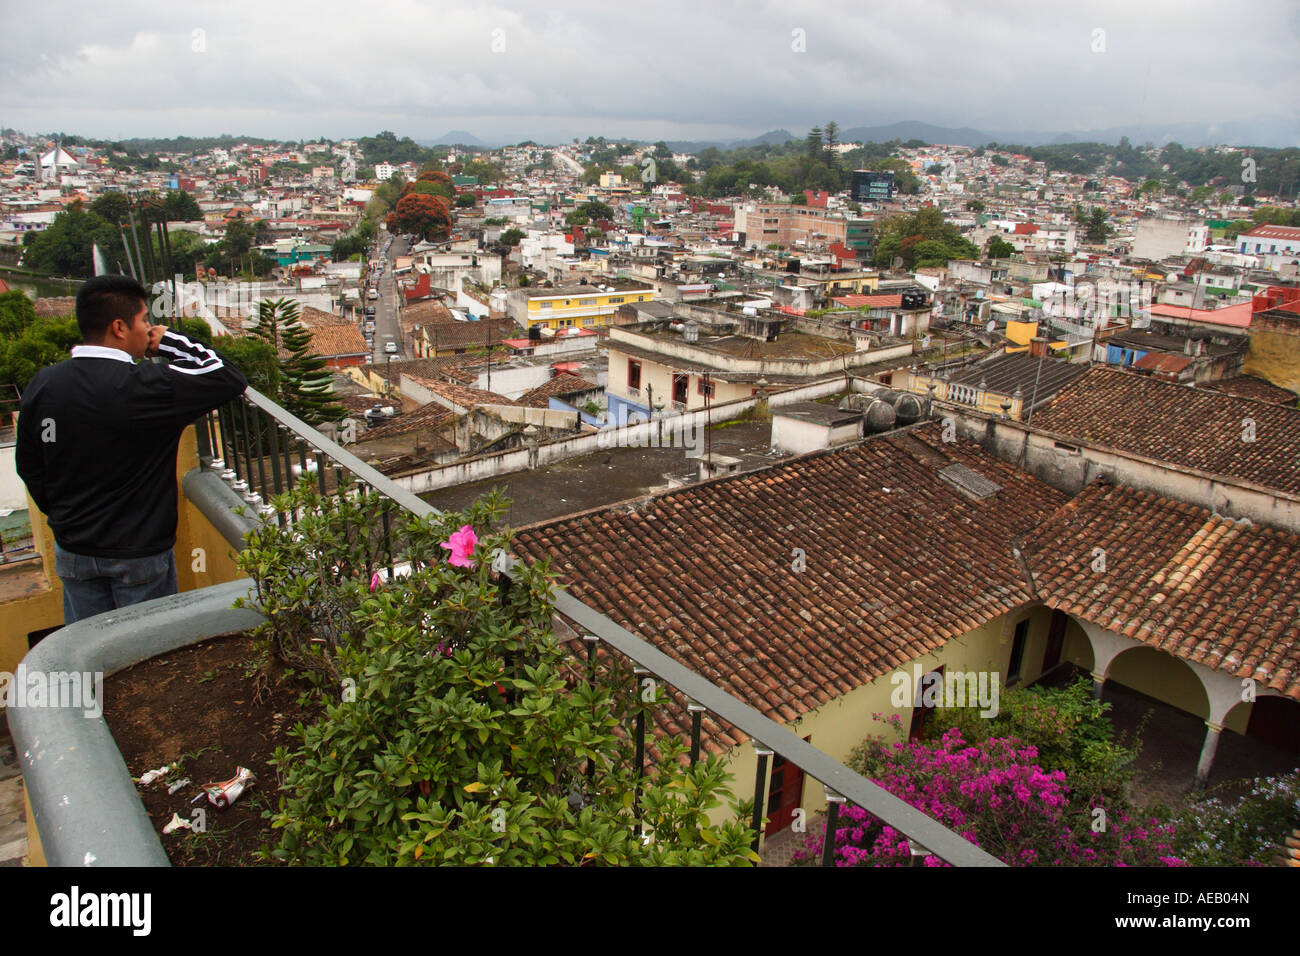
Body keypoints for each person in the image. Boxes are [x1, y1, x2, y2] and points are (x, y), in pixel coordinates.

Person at [16, 275, 247, 624]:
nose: (149, 329)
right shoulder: (146, 387)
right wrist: (170, 341)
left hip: (74, 550)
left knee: (90, 652)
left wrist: (65, 517)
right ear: (120, 327)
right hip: (139, 552)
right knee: (146, 655)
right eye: (145, 321)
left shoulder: (45, 383)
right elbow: (227, 376)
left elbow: (29, 466)